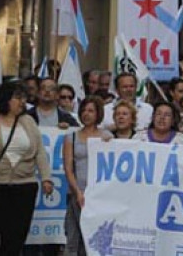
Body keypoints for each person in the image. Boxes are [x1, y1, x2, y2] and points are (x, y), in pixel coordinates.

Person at [0, 81, 53, 256]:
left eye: (24, 98)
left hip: (24, 189)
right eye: (18, 97)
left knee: (14, 241)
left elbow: (40, 152)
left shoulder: (28, 121)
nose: (22, 102)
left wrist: (46, 178)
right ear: (5, 99)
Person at [62, 97, 112, 256]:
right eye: (84, 110)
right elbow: (68, 168)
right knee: (73, 237)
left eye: (91, 111)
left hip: (98, 195)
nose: (86, 114)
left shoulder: (107, 136)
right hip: (78, 193)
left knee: (92, 239)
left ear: (98, 113)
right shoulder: (72, 137)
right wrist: (77, 192)